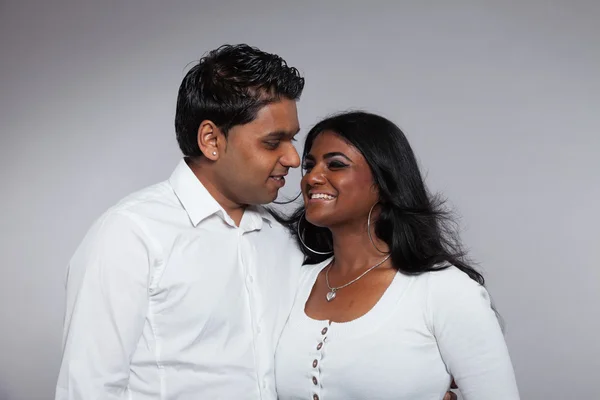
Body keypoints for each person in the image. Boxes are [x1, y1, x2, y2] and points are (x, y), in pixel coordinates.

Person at [55, 44, 459, 400]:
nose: (292, 159)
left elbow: (335, 346)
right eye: (272, 142)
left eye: (292, 140)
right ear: (211, 140)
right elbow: (87, 389)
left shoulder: (286, 243)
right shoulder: (131, 235)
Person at [274, 111, 520, 399]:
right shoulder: (294, 282)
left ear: (383, 181)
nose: (312, 177)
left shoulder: (444, 291)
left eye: (336, 165)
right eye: (309, 165)